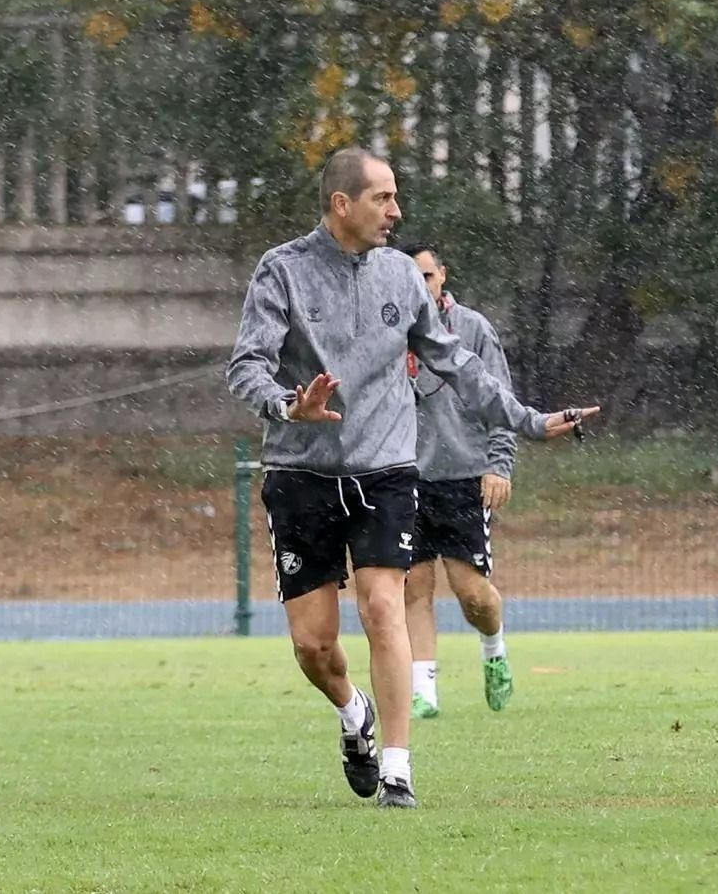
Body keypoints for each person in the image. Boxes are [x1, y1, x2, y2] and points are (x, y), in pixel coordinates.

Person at [226, 147, 596, 809]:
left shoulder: (401, 274)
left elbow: (459, 365)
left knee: (383, 607)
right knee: (313, 645)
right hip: (301, 473)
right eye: (383, 198)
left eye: (395, 197)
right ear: (342, 204)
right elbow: (246, 367)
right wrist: (287, 405)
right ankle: (354, 713)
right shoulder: (282, 270)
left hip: (388, 472)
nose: (395, 211)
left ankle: (397, 770)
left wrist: (530, 422)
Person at [396, 242, 517, 718]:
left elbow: (501, 400)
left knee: (471, 592)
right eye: (410, 278)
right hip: (403, 477)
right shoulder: (388, 330)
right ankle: (423, 690)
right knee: (413, 586)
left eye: (426, 276)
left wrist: (499, 464)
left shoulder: (472, 329)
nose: (420, 286)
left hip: (464, 475)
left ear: (442, 276)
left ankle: (494, 646)